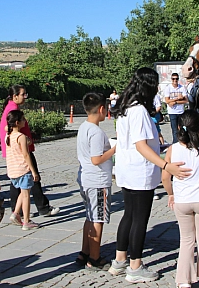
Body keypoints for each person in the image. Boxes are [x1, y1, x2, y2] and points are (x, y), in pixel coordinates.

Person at [108, 67, 191, 283]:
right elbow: (141, 146)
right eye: (154, 85)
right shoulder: (139, 112)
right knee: (139, 219)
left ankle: (120, 259)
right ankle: (135, 266)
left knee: (129, 214)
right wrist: (166, 166)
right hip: (139, 171)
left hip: (127, 170)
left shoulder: (126, 108)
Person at [162, 110, 199, 288]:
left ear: (179, 127)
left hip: (182, 200)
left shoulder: (172, 149)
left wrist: (170, 193)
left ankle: (184, 281)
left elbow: (165, 177)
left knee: (186, 240)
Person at [0, 85, 59, 218]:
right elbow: (6, 129)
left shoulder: (12, 107)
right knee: (33, 177)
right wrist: (22, 142)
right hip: (21, 150)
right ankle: (42, 208)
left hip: (16, 149)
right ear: (15, 96)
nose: (25, 97)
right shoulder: (13, 109)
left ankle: (18, 211)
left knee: (16, 181)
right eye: (23, 94)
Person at [75, 93, 116, 271]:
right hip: (97, 180)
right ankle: (94, 257)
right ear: (101, 109)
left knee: (90, 217)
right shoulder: (97, 132)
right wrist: (115, 149)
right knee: (98, 219)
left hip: (86, 178)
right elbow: (96, 159)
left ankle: (84, 252)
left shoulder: (84, 127)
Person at [5, 110, 40, 231]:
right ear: (17, 122)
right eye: (23, 119)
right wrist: (33, 171)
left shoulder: (8, 136)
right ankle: (26, 221)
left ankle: (15, 213)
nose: (25, 121)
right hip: (23, 169)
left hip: (13, 170)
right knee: (26, 195)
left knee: (22, 191)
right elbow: (26, 155)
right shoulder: (21, 137)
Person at [162, 72, 187, 143]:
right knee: (174, 129)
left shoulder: (182, 88)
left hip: (180, 111)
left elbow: (186, 100)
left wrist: (175, 102)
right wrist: (177, 98)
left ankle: (183, 141)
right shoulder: (168, 88)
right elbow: (167, 101)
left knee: (182, 128)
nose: (175, 80)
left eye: (176, 79)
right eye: (173, 79)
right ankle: (175, 142)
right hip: (172, 112)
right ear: (171, 79)